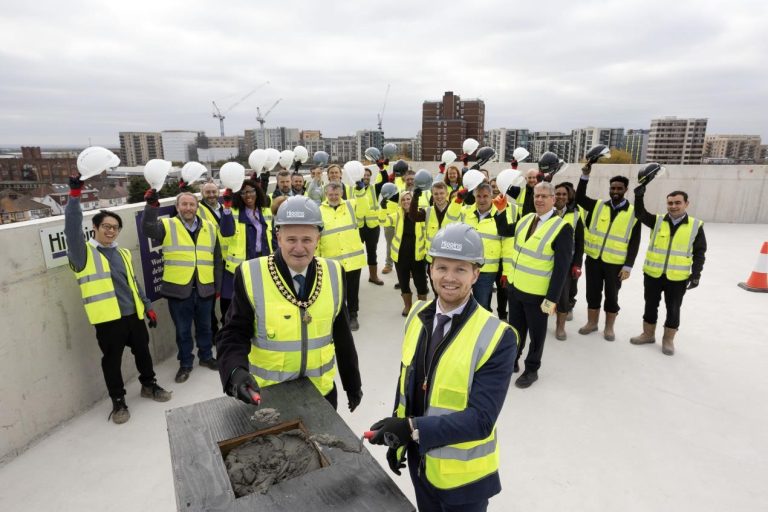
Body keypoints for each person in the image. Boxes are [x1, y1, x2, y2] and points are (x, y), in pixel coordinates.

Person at [368, 223, 518, 512]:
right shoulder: (415, 315)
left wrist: (410, 428)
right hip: (421, 464)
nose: (449, 278)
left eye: (461, 269)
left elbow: (481, 419)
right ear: (430, 270)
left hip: (464, 481)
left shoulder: (497, 336)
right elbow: (407, 387)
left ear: (476, 273)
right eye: (442, 267)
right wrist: (398, 440)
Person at [216, 196, 363, 412]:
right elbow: (233, 334)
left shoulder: (334, 272)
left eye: (307, 240)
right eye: (291, 239)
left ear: (318, 239)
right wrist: (235, 372)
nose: (299, 248)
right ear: (278, 237)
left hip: (321, 394)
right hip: (269, 397)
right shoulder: (251, 274)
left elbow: (342, 335)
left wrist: (352, 384)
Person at [67, 175, 171, 424]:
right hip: (108, 320)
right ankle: (118, 402)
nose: (111, 231)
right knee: (111, 363)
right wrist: (74, 197)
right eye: (106, 227)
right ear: (96, 227)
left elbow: (133, 283)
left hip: (132, 315)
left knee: (143, 353)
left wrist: (147, 307)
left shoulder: (122, 252)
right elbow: (71, 228)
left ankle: (149, 385)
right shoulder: (83, 255)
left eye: (115, 228)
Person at [142, 190, 223, 383]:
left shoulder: (210, 227)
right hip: (179, 290)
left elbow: (217, 259)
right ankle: (185, 363)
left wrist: (217, 286)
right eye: (184, 204)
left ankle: (206, 357)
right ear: (178, 207)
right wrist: (151, 207)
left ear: (197, 207)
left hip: (204, 288)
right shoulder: (167, 225)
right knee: (183, 331)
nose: (188, 208)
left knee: (205, 327)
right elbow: (148, 229)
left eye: (192, 204)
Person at [498, 182, 573, 388]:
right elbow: (504, 230)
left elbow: (561, 270)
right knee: (515, 330)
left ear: (553, 199)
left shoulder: (562, 228)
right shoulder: (525, 220)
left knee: (537, 335)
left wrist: (551, 300)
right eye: (536, 196)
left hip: (538, 296)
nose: (539, 199)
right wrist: (501, 211)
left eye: (543, 196)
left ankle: (532, 369)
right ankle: (512, 360)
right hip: (516, 289)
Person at [630, 183, 706, 355]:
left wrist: (696, 275)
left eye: (677, 203)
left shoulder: (695, 226)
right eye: (670, 203)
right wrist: (639, 195)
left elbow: (700, 253)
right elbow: (640, 214)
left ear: (686, 204)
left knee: (673, 309)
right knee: (650, 305)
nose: (673, 206)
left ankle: (668, 340)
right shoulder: (658, 221)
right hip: (653, 274)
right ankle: (648, 334)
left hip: (677, 277)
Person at [576, 167, 641, 341]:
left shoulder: (634, 214)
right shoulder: (598, 206)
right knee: (592, 293)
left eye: (619, 188)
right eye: (613, 188)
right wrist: (585, 176)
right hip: (594, 259)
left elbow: (635, 242)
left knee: (612, 296)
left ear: (626, 190)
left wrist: (628, 266)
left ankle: (609, 328)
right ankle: (592, 323)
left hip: (616, 264)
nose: (615, 191)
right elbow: (579, 198)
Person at [219, 179, 273, 320]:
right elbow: (226, 231)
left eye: (251, 191)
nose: (248, 195)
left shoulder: (266, 211)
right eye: (243, 193)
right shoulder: (234, 212)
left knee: (260, 303)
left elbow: (272, 237)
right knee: (234, 306)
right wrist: (226, 207)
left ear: (257, 192)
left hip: (263, 263)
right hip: (239, 267)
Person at [317, 182, 367, 331]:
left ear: (341, 194)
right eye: (331, 194)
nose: (334, 197)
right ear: (326, 195)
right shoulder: (319, 210)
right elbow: (318, 236)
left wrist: (360, 191)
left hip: (352, 258)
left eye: (336, 194)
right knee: (336, 291)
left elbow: (364, 211)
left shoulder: (351, 205)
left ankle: (353, 315)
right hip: (332, 261)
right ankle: (339, 316)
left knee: (352, 289)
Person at [449, 183, 504, 312]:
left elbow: (506, 245)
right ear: (474, 197)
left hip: (487, 270)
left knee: (481, 305)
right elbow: (449, 221)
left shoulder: (500, 215)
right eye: (478, 196)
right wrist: (457, 201)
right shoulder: (465, 212)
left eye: (485, 196)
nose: (482, 199)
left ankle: (479, 329)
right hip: (465, 266)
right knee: (460, 301)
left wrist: (506, 271)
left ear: (492, 196)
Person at [381, 191, 429, 315]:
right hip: (400, 255)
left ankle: (421, 306)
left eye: (408, 199)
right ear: (400, 203)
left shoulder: (421, 213)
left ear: (413, 200)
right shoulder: (397, 214)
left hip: (417, 254)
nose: (406, 201)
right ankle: (408, 306)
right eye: (403, 200)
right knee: (403, 281)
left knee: (421, 282)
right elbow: (383, 221)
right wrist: (382, 208)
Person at [553, 182, 585, 340]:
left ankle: (560, 327)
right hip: (546, 261)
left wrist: (577, 264)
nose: (560, 197)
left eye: (564, 194)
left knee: (563, 296)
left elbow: (580, 242)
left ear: (568, 196)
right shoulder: (546, 212)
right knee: (544, 293)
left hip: (566, 262)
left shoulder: (576, 214)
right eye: (557, 193)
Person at [198, 181, 225, 336]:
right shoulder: (198, 208)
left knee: (225, 299)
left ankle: (225, 328)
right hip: (209, 259)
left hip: (226, 259)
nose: (212, 195)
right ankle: (213, 332)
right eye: (208, 192)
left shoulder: (224, 207)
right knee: (209, 301)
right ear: (202, 194)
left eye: (214, 192)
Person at [357, 167, 389, 286]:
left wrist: (382, 168)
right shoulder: (354, 189)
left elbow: (385, 180)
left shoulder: (374, 188)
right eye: (364, 175)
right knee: (356, 252)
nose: (366, 177)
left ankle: (373, 276)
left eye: (368, 175)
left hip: (372, 226)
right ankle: (354, 277)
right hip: (358, 226)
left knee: (372, 251)